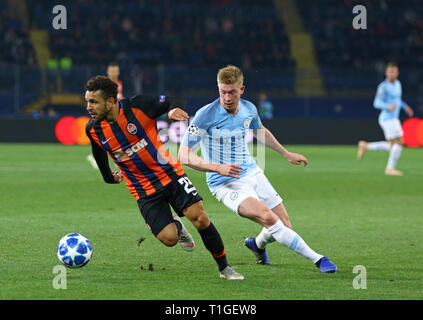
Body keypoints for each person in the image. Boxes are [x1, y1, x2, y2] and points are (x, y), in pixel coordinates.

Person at [178, 65, 337, 273]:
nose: (226, 97)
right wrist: (217, 168)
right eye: (222, 92)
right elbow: (183, 155)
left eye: (232, 92)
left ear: (241, 89)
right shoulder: (205, 115)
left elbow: (260, 131)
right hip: (224, 183)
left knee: (284, 225)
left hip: (252, 173)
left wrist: (286, 154)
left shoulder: (249, 109)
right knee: (268, 217)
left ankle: (257, 245)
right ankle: (319, 259)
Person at [84, 75, 243, 280]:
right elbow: (98, 152)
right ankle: (176, 225)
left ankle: (225, 268)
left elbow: (167, 101)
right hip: (143, 189)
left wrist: (170, 111)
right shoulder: (93, 129)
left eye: (93, 102)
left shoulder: (137, 106)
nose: (89, 107)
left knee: (200, 218)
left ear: (111, 101)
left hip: (169, 173)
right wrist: (107, 177)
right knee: (169, 239)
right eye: (87, 101)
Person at [357, 62, 414, 176]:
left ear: (397, 73)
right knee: (399, 143)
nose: (392, 73)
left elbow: (397, 100)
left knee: (393, 145)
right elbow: (376, 102)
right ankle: (390, 168)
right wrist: (387, 106)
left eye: (394, 71)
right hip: (387, 119)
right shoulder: (383, 87)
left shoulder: (398, 84)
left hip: (394, 118)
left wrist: (405, 106)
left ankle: (366, 146)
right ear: (386, 73)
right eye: (390, 71)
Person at [87, 62, 124, 169]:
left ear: (118, 72)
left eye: (115, 71)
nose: (114, 73)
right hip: (104, 114)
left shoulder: (119, 84)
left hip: (114, 114)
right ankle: (95, 156)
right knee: (105, 136)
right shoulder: (103, 85)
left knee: (115, 136)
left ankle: (118, 157)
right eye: (112, 71)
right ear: (108, 72)